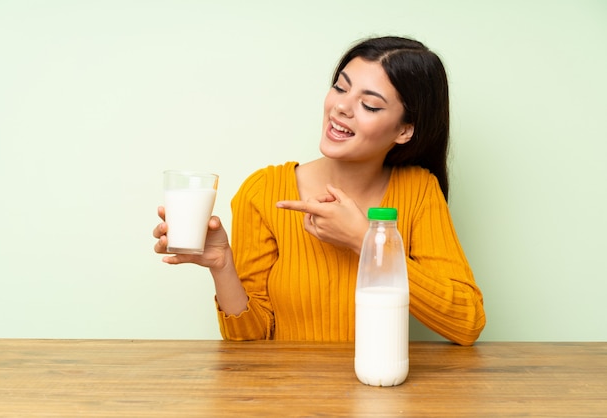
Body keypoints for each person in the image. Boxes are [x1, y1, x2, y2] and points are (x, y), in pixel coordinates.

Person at [153, 36, 486, 346]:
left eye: (369, 105)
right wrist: (222, 265)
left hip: (379, 391)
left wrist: (363, 240)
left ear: (404, 130)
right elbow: (250, 341)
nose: (342, 107)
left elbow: (466, 324)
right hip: (287, 401)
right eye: (340, 88)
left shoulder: (418, 190)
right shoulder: (264, 191)